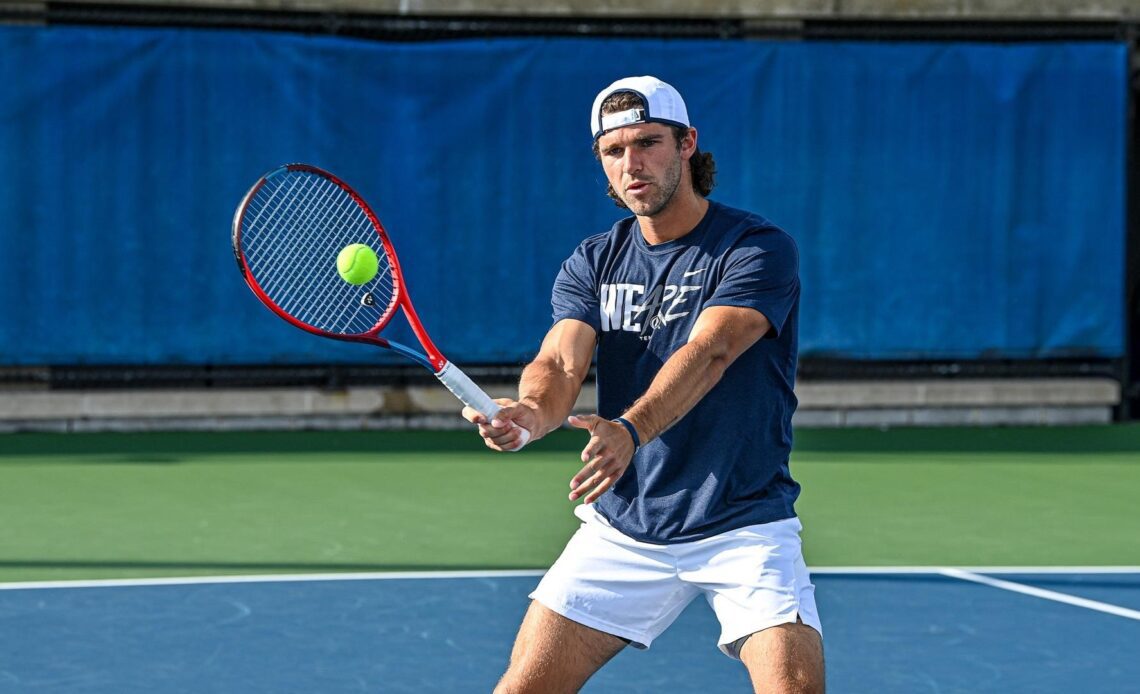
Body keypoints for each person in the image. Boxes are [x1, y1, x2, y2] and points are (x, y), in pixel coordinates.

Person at [463, 75, 824, 693]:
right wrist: (529, 411)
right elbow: (560, 363)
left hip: (742, 522)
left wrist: (632, 429)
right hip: (625, 528)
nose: (632, 164)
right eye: (614, 150)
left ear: (688, 145)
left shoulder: (755, 248)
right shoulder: (594, 260)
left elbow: (710, 352)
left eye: (648, 143)